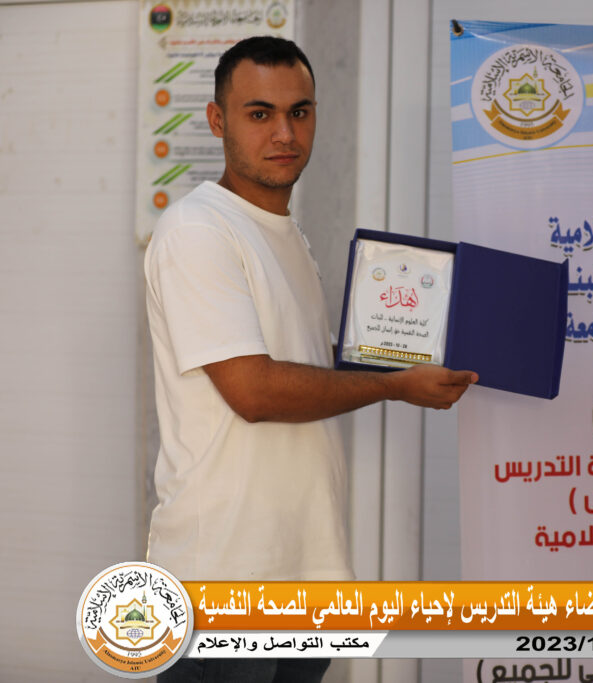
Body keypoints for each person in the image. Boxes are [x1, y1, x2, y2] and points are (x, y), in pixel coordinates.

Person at [144, 36, 477, 682]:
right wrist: (396, 386)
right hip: (225, 583)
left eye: (299, 112)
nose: (285, 133)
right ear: (218, 120)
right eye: (260, 113)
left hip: (304, 574)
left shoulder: (287, 235)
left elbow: (310, 366)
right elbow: (255, 391)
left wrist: (411, 348)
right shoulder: (198, 230)